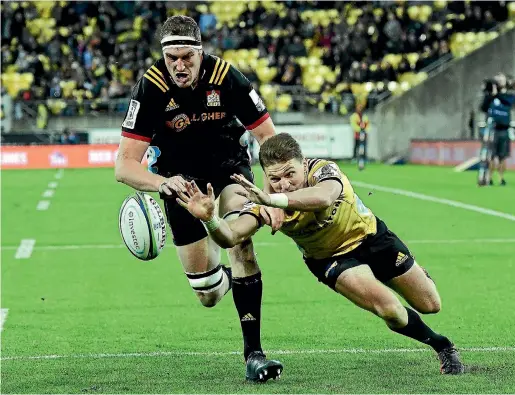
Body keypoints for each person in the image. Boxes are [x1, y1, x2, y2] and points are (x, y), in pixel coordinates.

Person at [177, 133, 465, 375]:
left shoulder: (322, 171)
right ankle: (442, 345)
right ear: (265, 176)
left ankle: (415, 276)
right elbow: (231, 237)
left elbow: (324, 197)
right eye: (275, 178)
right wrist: (210, 219)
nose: (285, 183)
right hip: (331, 260)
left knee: (430, 304)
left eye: (291, 174)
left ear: (303, 165)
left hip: (373, 239)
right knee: (389, 309)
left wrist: (274, 198)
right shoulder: (262, 201)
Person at [114, 16, 284, 382]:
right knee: (206, 293)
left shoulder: (227, 77)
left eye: (187, 57)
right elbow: (125, 166)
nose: (180, 65)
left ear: (200, 52)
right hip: (180, 181)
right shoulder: (150, 88)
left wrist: (274, 195)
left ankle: (254, 353)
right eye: (172, 57)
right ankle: (224, 279)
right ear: (163, 55)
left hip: (230, 170)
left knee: (242, 242)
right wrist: (163, 184)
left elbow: (269, 139)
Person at [480, 73, 515, 186]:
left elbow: (510, 101)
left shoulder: (508, 95)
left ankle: (501, 178)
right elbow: (483, 108)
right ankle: (489, 178)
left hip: (503, 129)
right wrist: (492, 94)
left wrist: (497, 94)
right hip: (492, 129)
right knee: (491, 155)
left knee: (502, 156)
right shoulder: (490, 97)